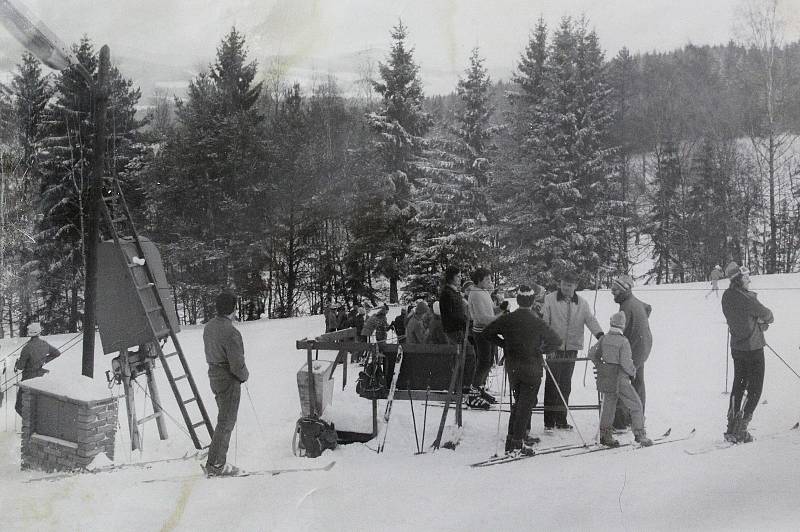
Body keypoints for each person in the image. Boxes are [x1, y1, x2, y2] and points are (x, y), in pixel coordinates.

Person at [483, 285, 562, 455]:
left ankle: (512, 439)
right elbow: (556, 340)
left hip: (513, 366)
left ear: (517, 300)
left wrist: (505, 344)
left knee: (519, 403)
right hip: (532, 366)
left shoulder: (508, 319)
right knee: (526, 405)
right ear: (532, 301)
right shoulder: (536, 320)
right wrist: (542, 350)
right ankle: (517, 442)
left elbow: (487, 333)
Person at [541, 271, 603, 430]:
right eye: (564, 284)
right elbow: (544, 323)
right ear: (559, 284)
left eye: (570, 285)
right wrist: (548, 345)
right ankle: (549, 422)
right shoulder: (549, 299)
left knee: (565, 384)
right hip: (554, 348)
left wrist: (601, 336)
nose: (566, 288)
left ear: (576, 286)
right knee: (552, 383)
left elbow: (590, 319)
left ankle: (561, 420)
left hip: (572, 348)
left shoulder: (582, 303)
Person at [721, 262, 773, 443]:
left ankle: (731, 426)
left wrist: (757, 321)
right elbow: (768, 315)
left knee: (739, 384)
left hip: (737, 347)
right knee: (755, 388)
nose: (749, 279)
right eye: (746, 276)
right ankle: (741, 429)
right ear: (739, 279)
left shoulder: (726, 296)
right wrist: (760, 321)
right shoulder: (748, 299)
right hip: (753, 348)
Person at [588, 312, 653, 447]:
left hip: (607, 378)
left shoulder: (604, 339)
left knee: (609, 406)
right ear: (622, 326)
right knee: (636, 404)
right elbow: (626, 363)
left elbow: (592, 354)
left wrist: (601, 366)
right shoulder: (623, 342)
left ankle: (605, 435)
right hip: (620, 379)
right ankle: (640, 435)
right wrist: (633, 372)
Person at [203, 291, 249, 477]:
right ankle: (216, 465)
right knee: (226, 421)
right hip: (228, 377)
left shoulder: (208, 327)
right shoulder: (231, 332)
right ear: (233, 309)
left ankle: (214, 460)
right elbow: (237, 364)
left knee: (223, 419)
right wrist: (244, 375)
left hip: (213, 375)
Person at [610, 274, 653, 430]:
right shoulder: (634, 302)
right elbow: (647, 307)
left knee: (621, 383)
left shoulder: (626, 307)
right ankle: (638, 417)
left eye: (615, 290)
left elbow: (619, 332)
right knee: (637, 383)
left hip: (634, 350)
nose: (612, 293)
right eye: (611, 289)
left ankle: (621, 421)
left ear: (624, 290)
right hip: (642, 347)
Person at [438, 266, 480, 405]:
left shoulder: (454, 293)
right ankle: (464, 388)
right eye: (458, 276)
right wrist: (465, 320)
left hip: (460, 329)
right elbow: (451, 315)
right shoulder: (447, 293)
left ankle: (462, 388)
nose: (460, 278)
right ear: (451, 277)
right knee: (468, 355)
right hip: (453, 331)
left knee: (466, 357)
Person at [14, 322, 61, 415]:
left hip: (28, 379)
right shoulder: (45, 344)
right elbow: (57, 353)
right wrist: (44, 360)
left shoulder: (27, 347)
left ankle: (30, 425)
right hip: (41, 378)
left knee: (19, 406)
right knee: (38, 404)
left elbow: (20, 367)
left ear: (29, 333)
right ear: (39, 333)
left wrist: (17, 362)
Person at [468, 267, 499, 405]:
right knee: (483, 362)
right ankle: (473, 393)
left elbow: (491, 310)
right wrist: (499, 319)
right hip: (481, 332)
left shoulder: (484, 291)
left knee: (489, 361)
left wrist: (502, 308)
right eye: (487, 279)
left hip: (489, 331)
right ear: (479, 280)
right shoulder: (475, 293)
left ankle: (480, 388)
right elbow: (480, 318)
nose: (490, 282)